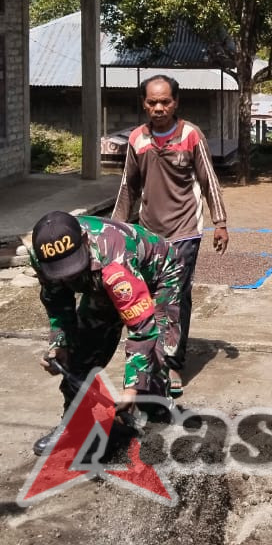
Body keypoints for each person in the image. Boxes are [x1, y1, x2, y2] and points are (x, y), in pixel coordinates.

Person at [29, 210, 183, 455]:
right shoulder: (42, 257)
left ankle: (156, 426)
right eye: (62, 272)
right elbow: (57, 302)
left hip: (157, 274)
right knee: (81, 353)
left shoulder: (115, 261)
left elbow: (143, 330)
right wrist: (59, 345)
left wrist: (131, 389)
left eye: (72, 270)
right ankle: (75, 424)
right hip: (97, 280)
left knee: (155, 355)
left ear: (85, 241)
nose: (69, 278)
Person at [112, 74, 229, 379]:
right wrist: (115, 230)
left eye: (165, 101)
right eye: (153, 102)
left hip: (185, 231)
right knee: (148, 298)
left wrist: (220, 222)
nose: (159, 108)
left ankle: (173, 367)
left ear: (175, 102)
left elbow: (208, 180)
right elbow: (128, 187)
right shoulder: (137, 139)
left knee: (174, 297)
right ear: (144, 104)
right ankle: (153, 358)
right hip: (148, 235)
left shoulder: (191, 135)